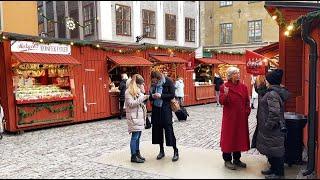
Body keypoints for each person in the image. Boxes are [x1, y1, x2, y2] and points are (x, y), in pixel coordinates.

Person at [256, 69, 289, 179]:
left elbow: (274, 113)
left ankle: (279, 174)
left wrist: (268, 125)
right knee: (271, 149)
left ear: (271, 81)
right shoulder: (271, 91)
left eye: (267, 79)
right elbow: (260, 92)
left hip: (273, 128)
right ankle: (273, 169)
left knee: (276, 151)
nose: (265, 81)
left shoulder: (272, 94)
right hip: (272, 129)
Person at [219, 66, 251, 170]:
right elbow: (222, 102)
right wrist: (226, 94)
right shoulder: (224, 86)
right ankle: (227, 160)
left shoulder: (243, 87)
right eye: (235, 73)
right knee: (229, 137)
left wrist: (247, 111)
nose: (238, 75)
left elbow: (247, 100)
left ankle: (237, 159)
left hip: (241, 117)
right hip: (230, 117)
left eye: (238, 73)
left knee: (239, 137)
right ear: (230, 75)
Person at [149, 71, 179, 162]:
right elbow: (149, 96)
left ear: (159, 78)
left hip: (165, 110)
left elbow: (172, 95)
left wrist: (161, 95)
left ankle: (175, 151)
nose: (155, 82)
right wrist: (152, 96)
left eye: (156, 81)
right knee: (157, 131)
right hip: (156, 110)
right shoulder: (153, 84)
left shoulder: (168, 81)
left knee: (169, 130)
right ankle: (161, 151)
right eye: (153, 81)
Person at [125, 74, 150, 163]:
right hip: (133, 117)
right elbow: (131, 104)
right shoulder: (128, 92)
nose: (141, 86)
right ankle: (133, 156)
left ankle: (137, 153)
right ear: (136, 84)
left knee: (138, 136)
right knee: (135, 137)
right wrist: (142, 98)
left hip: (139, 117)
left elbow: (141, 101)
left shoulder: (138, 91)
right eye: (140, 84)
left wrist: (144, 95)